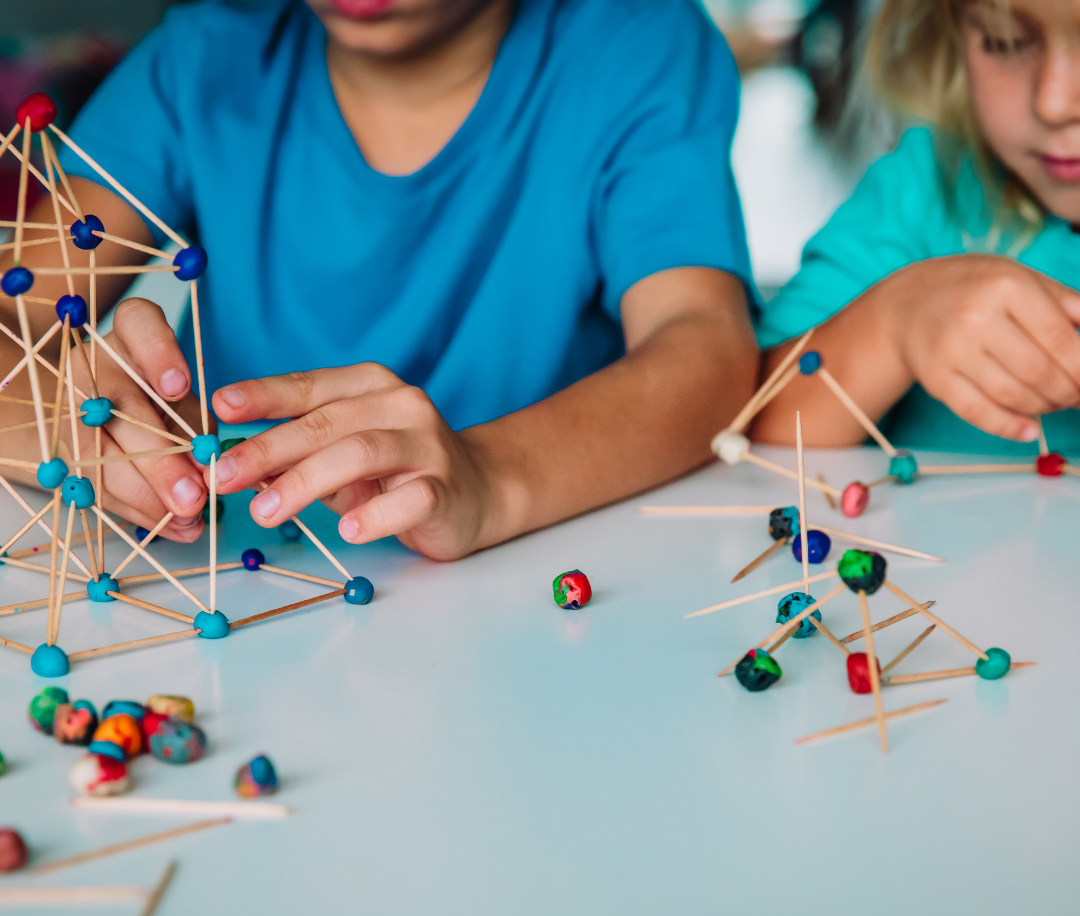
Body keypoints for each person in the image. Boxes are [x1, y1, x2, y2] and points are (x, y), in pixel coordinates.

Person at [0, 0, 758, 560]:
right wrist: (59, 417)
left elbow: (705, 347)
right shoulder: (205, 53)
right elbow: (14, 317)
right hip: (245, 586)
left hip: (542, 587)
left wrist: (491, 478)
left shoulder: (636, 41)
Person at [752, 0, 1080, 455]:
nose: (1054, 102)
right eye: (1004, 42)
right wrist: (894, 326)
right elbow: (751, 423)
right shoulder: (924, 187)